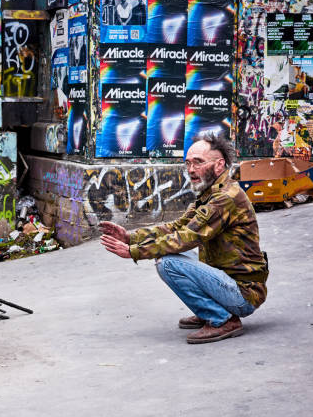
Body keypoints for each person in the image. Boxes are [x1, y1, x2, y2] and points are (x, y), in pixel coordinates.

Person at [99, 133, 268, 344]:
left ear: (219, 165)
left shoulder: (225, 198)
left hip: (243, 294)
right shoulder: (210, 193)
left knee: (168, 263)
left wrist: (134, 252)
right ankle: (210, 309)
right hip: (228, 283)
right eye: (187, 163)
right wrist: (130, 237)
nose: (190, 170)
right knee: (172, 254)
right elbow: (176, 227)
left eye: (198, 163)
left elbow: (187, 237)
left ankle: (222, 319)